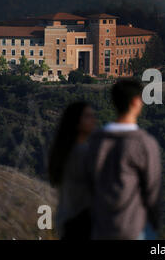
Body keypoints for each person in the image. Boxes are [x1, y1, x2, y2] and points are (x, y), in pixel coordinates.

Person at [87, 79, 161, 240]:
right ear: (135, 102)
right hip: (132, 228)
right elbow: (152, 191)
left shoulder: (94, 141)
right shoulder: (145, 144)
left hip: (98, 228)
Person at [48, 101, 97, 239]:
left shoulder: (62, 151)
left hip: (66, 220)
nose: (94, 119)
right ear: (76, 122)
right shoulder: (82, 153)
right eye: (88, 116)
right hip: (82, 223)